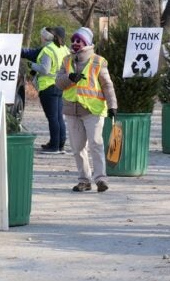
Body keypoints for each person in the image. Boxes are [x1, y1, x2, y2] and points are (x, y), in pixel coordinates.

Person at [56, 27, 117, 193]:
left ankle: (101, 179)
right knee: (77, 148)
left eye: (79, 40)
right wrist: (69, 78)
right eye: (74, 40)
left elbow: (107, 85)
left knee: (96, 144)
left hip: (93, 111)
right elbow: (58, 83)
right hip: (72, 111)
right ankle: (84, 180)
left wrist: (113, 106)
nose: (75, 43)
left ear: (87, 43)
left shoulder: (98, 61)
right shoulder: (67, 60)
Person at [30, 27, 70, 153]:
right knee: (59, 117)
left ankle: (54, 146)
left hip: (48, 86)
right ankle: (60, 143)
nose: (40, 38)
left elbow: (45, 69)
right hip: (60, 84)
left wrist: (31, 65)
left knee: (52, 117)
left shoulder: (48, 50)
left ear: (44, 37)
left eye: (41, 35)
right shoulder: (64, 48)